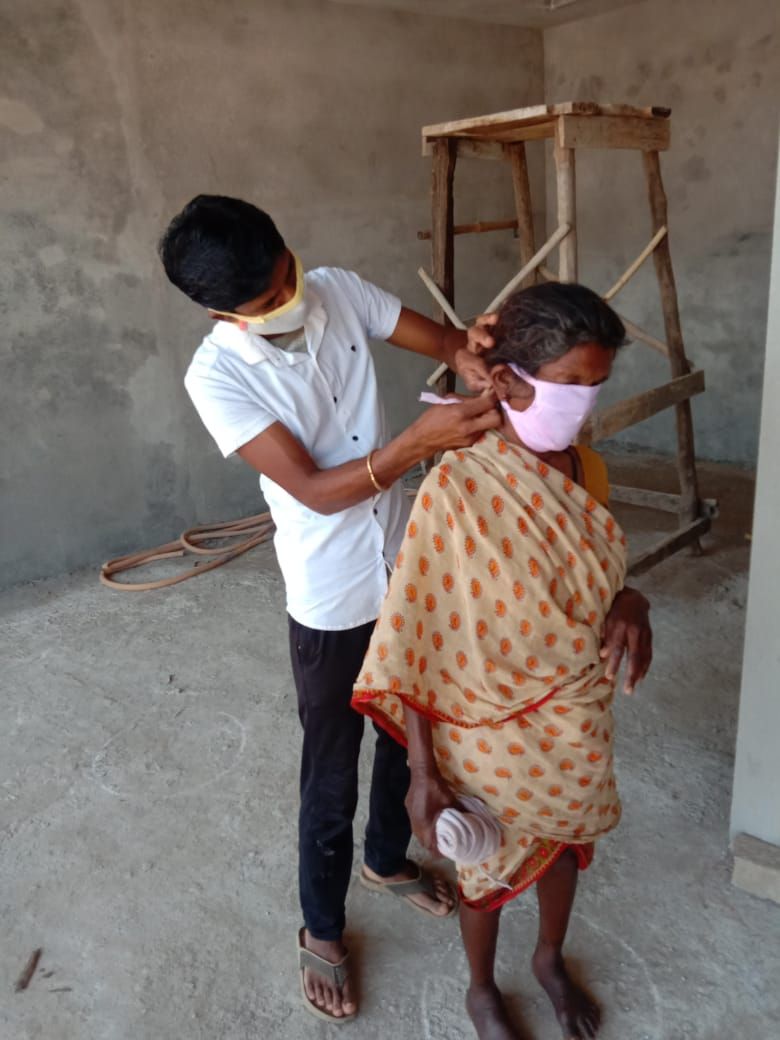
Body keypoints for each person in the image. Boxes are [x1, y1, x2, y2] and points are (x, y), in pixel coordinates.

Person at [158, 195, 501, 1023]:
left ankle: (386, 857)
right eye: (269, 299)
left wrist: (477, 358)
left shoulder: (340, 291)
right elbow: (311, 490)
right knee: (330, 761)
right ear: (219, 313)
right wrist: (416, 446)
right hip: (329, 594)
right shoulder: (219, 375)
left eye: (287, 273)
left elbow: (450, 345)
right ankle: (321, 927)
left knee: (405, 724)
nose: (291, 296)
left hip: (401, 566)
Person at [352, 282, 653, 1040]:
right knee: (482, 865)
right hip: (479, 725)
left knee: (561, 842)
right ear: (509, 380)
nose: (584, 404)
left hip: (575, 714)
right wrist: (422, 773)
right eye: (571, 383)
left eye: (598, 385)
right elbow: (415, 635)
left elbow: (597, 573)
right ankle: (481, 988)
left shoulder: (585, 472)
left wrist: (632, 603)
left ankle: (549, 957)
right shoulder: (455, 484)